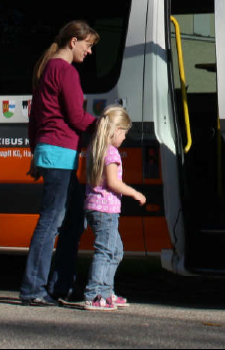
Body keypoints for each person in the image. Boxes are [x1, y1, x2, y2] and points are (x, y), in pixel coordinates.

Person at [19, 20, 100, 306]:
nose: (89, 52)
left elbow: (35, 119)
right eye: (88, 46)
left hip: (53, 151)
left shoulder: (47, 69)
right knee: (52, 221)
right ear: (73, 42)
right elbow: (77, 118)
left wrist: (35, 152)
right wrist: (103, 123)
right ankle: (34, 289)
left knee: (74, 218)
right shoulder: (64, 70)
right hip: (59, 152)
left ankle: (61, 285)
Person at [82, 105, 146, 311]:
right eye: (124, 133)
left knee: (115, 250)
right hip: (106, 211)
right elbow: (112, 182)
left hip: (95, 208)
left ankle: (107, 292)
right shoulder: (111, 153)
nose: (125, 138)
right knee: (106, 251)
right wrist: (134, 192)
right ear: (116, 130)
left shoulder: (95, 147)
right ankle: (94, 294)